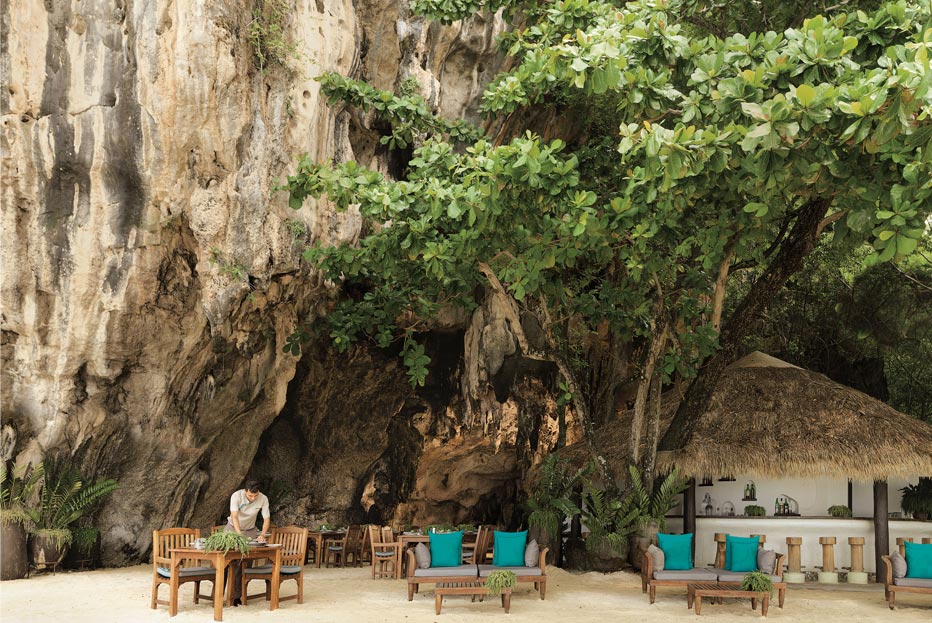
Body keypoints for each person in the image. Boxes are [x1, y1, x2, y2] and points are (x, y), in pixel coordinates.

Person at [225, 480, 271, 605]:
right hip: (233, 528)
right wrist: (239, 534)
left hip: (250, 530)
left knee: (244, 563)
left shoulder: (263, 498)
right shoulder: (236, 496)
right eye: (250, 495)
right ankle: (218, 595)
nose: (253, 498)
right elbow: (234, 516)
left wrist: (262, 534)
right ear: (245, 491)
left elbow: (266, 518)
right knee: (225, 560)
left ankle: (237, 597)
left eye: (255, 495)